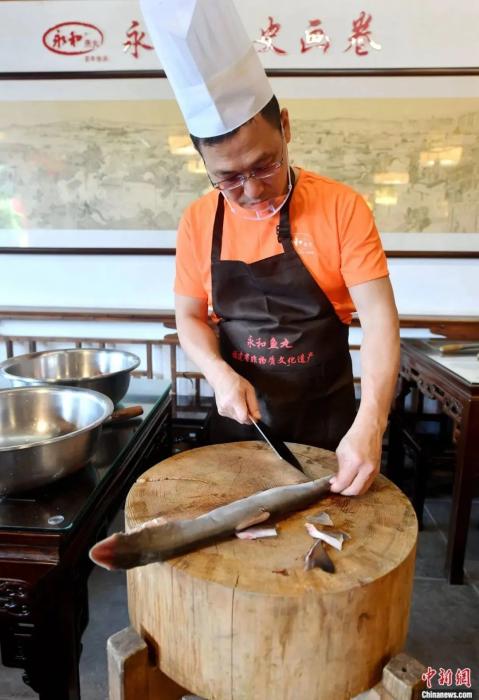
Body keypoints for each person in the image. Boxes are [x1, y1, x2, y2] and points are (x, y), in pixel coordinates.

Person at [141, 0, 400, 497]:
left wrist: (372, 423)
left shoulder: (341, 206)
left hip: (329, 426)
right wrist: (218, 373)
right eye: (228, 179)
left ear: (285, 126)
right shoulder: (198, 220)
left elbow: (380, 319)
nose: (253, 190)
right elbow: (189, 317)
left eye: (265, 165)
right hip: (241, 428)